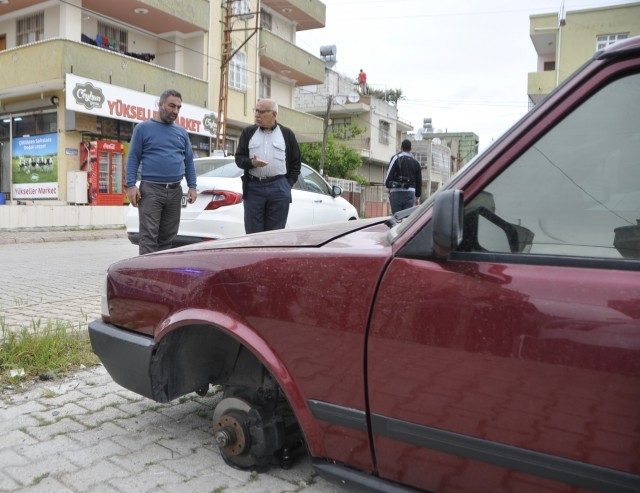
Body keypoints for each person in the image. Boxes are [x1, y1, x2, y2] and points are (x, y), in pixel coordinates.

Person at [126, 89, 197, 255]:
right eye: (172, 106)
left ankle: (160, 273)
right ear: (160, 104)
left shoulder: (182, 133)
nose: (175, 111)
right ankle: (147, 275)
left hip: (174, 191)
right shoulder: (143, 129)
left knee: (168, 237)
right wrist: (130, 185)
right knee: (149, 236)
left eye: (178, 107)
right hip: (151, 190)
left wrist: (192, 187)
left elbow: (188, 161)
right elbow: (133, 158)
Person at [235, 98, 301, 234]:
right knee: (253, 233)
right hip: (254, 188)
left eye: (262, 112)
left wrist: (287, 184)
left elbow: (296, 163)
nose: (257, 115)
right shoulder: (248, 133)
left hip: (279, 188)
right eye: (256, 110)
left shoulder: (286, 134)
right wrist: (252, 163)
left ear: (274, 114)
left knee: (275, 234)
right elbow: (238, 159)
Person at [385, 139, 422, 214]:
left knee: (396, 219)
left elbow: (388, 176)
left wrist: (388, 189)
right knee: (406, 220)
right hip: (410, 193)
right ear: (411, 149)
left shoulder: (395, 158)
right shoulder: (416, 162)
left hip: (396, 192)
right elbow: (419, 181)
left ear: (401, 148)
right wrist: (417, 197)